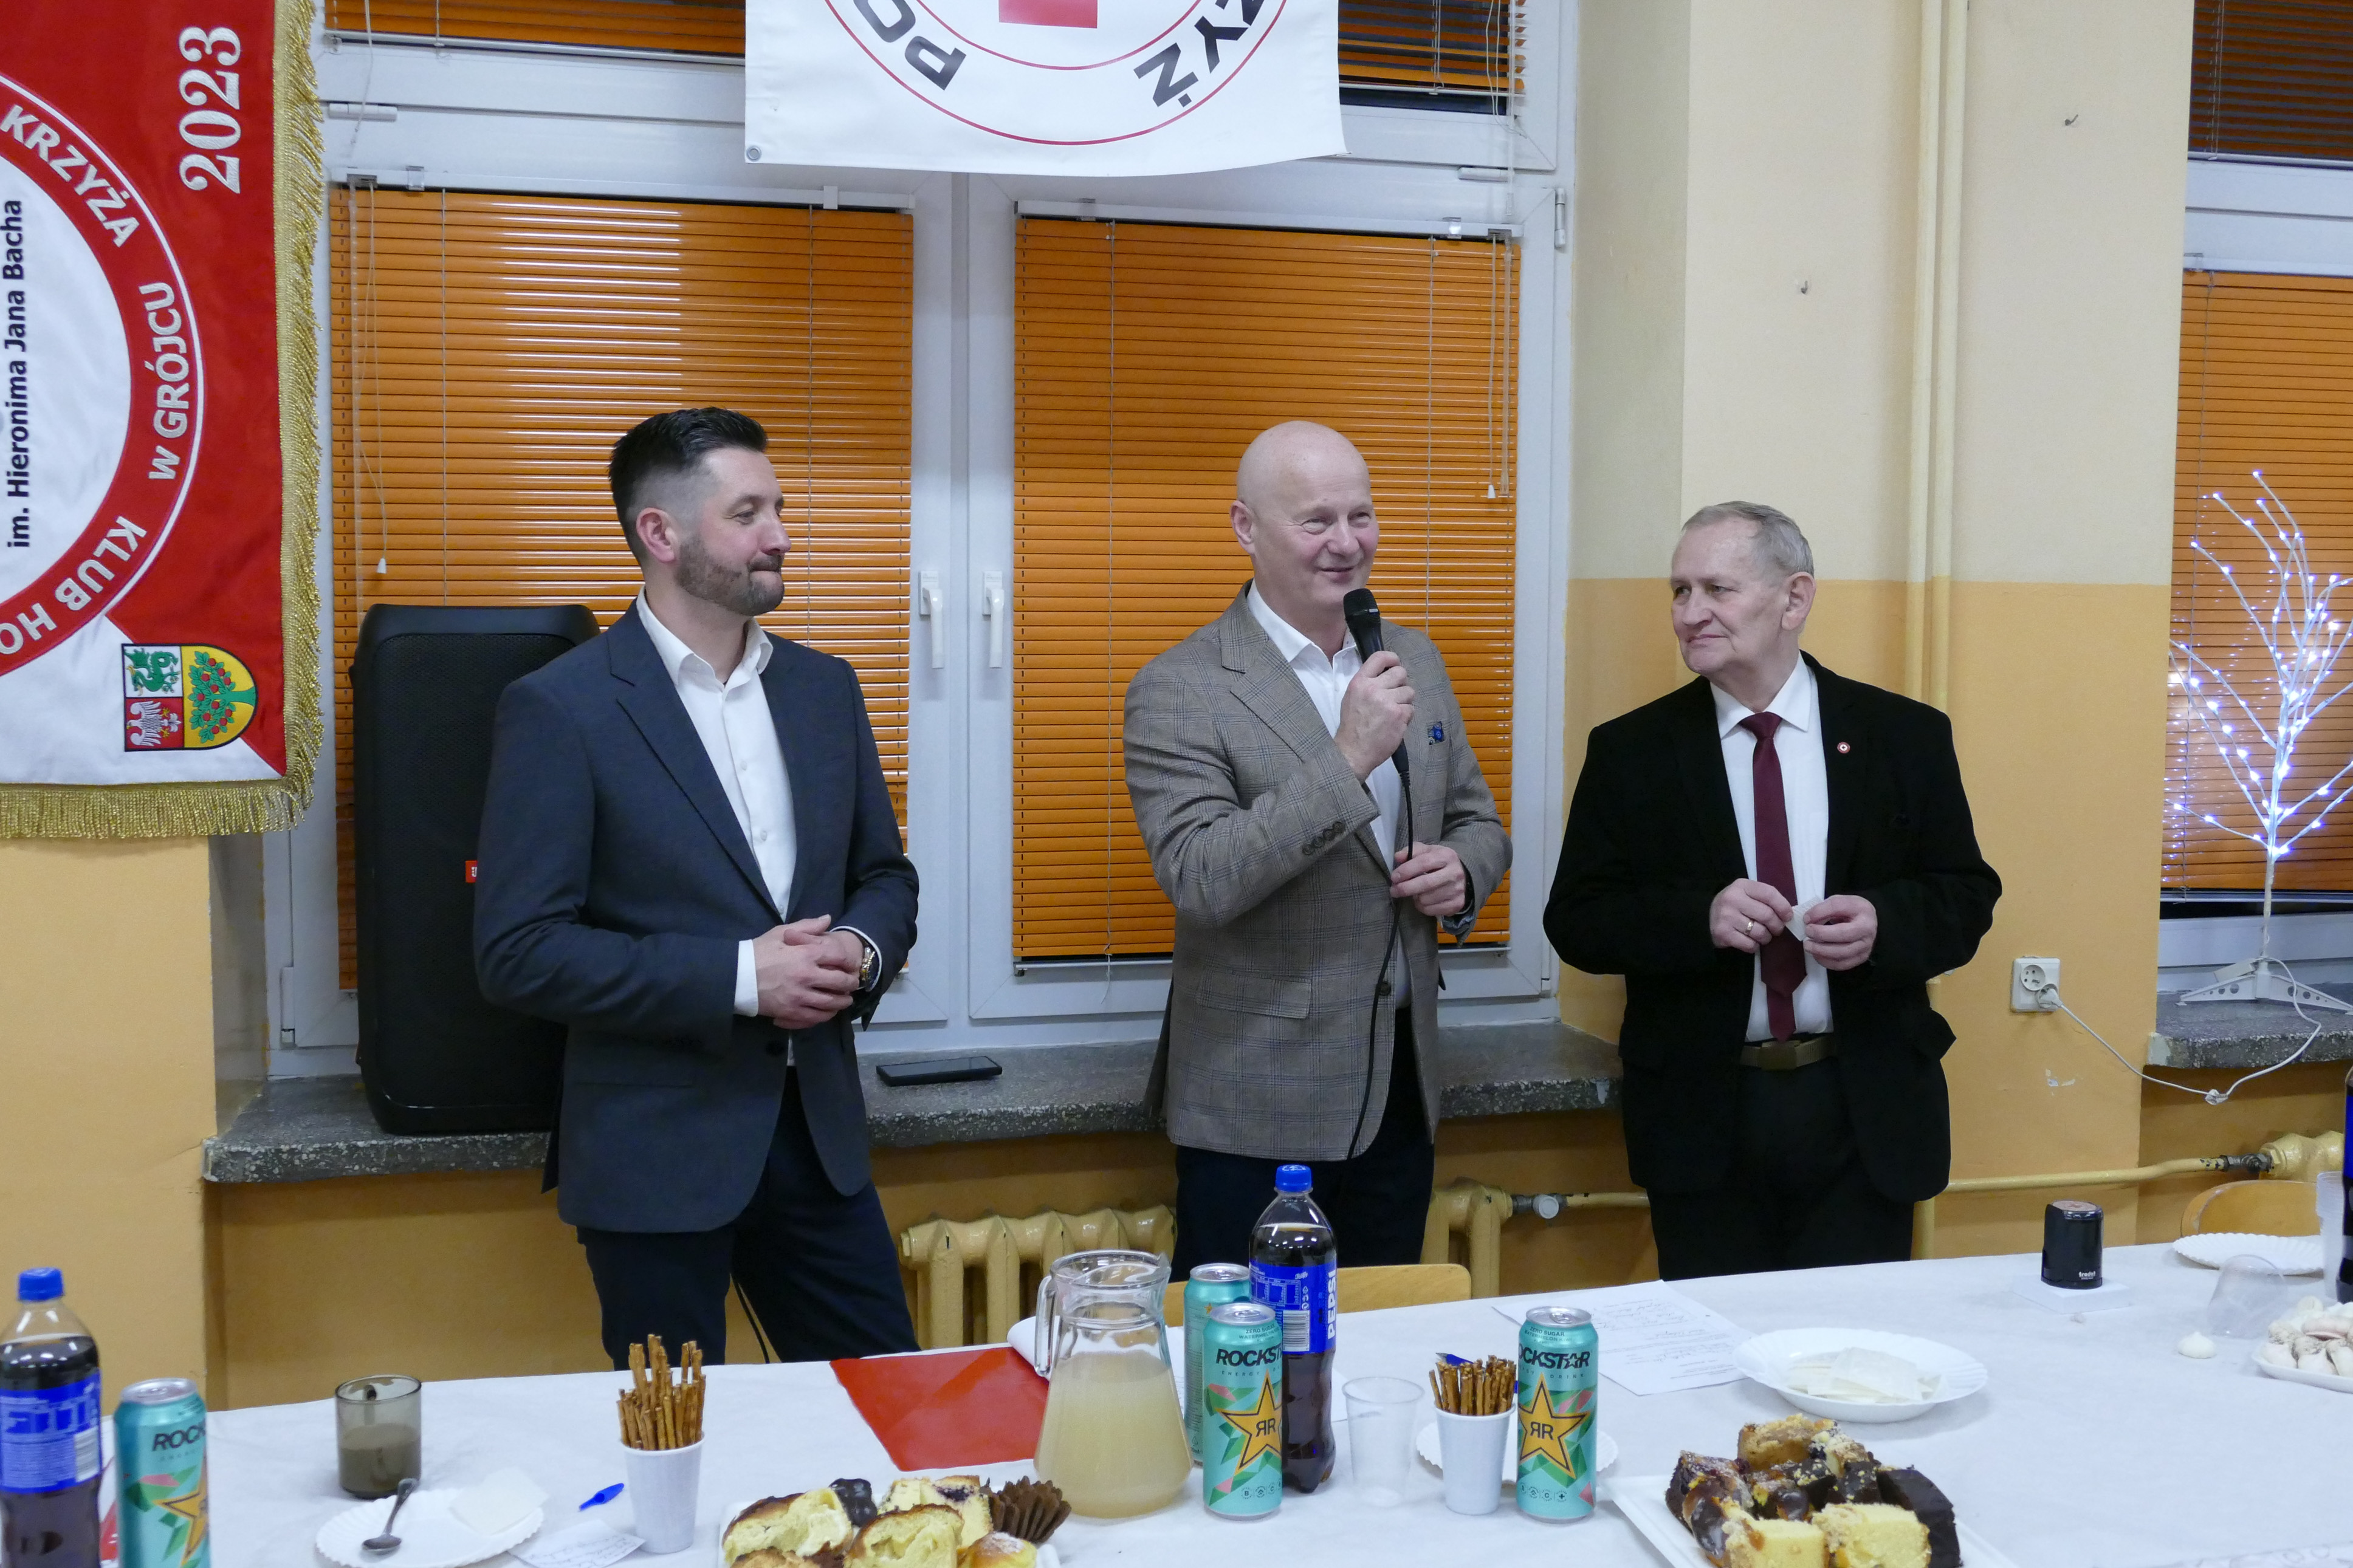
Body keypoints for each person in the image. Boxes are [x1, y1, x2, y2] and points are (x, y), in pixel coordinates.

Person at [475, 406, 919, 1365]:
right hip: (654, 1157)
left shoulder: (825, 689)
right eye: (747, 513)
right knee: (681, 1435)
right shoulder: (561, 708)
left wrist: (860, 949)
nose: (779, 535)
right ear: (661, 533)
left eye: (779, 508)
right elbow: (519, 951)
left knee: (890, 1405)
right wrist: (742, 978)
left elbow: (883, 875)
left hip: (820, 1143)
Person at [1544, 502, 1999, 1279]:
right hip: (1702, 1111)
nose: (1689, 613)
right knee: (1712, 1338)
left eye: (1716, 589)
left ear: (1793, 599)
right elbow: (1577, 920)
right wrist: (1699, 916)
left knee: (1847, 1337)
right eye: (1679, 591)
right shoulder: (1632, 751)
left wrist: (1883, 923)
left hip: (1860, 1107)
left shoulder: (1902, 735)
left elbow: (1964, 895)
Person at [1124, 420, 1511, 1275]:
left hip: (1400, 1089)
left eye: (1360, 516)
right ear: (1246, 527)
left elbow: (1478, 823)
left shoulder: (1413, 658)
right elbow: (1202, 876)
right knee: (1248, 1351)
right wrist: (1347, 757)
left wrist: (1462, 872)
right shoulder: (1181, 686)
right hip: (1256, 1101)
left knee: (1380, 1335)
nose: (1347, 543)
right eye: (1316, 521)